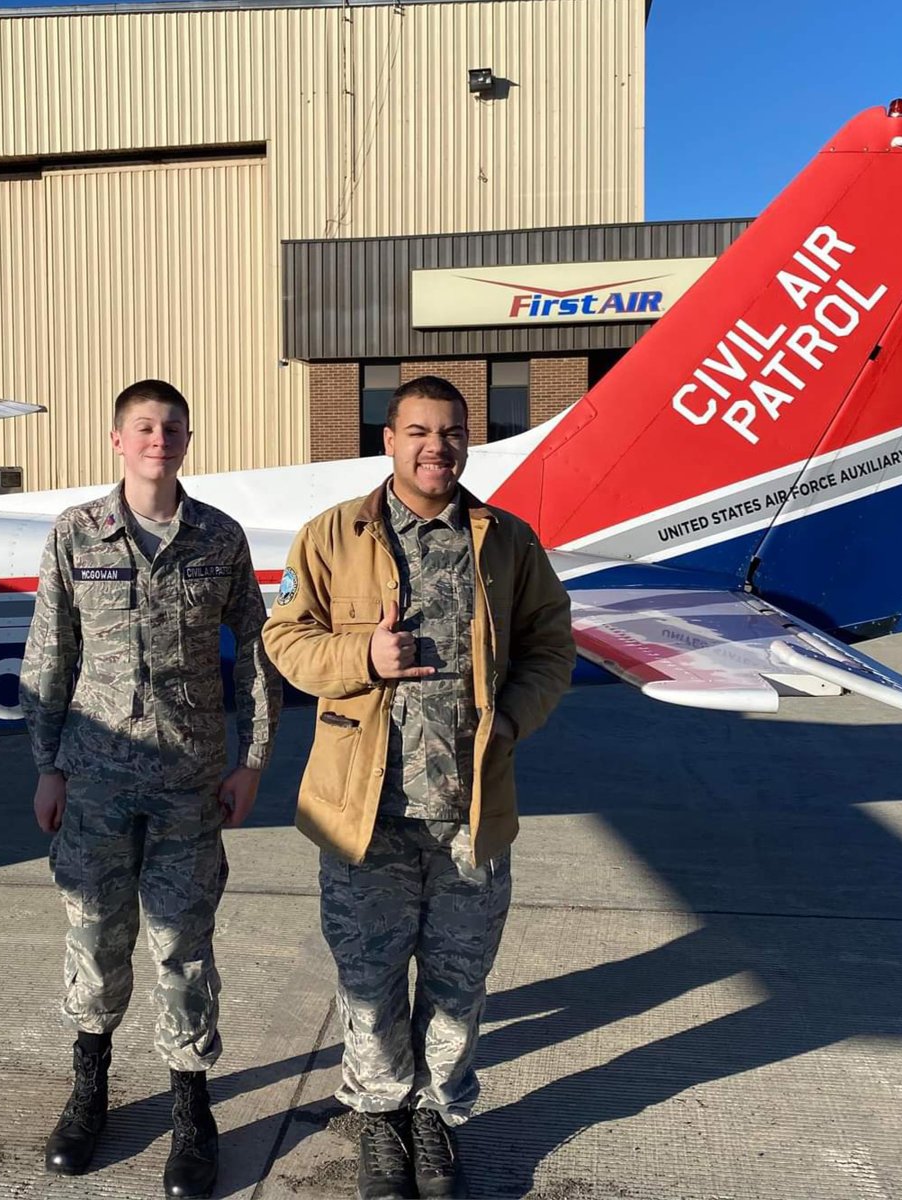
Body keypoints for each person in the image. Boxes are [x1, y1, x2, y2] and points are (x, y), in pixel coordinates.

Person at [262, 376, 574, 1200]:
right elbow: (287, 640)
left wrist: (510, 720)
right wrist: (362, 659)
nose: (437, 447)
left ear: (466, 442)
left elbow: (552, 643)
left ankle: (437, 1114)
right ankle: (379, 1119)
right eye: (419, 432)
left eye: (452, 433)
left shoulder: (506, 540)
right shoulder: (332, 536)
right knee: (367, 984)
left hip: (469, 812)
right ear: (390, 440)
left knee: (457, 985)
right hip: (364, 813)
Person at [20, 378, 281, 1198]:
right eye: (143, 427)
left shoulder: (219, 539)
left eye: (171, 427)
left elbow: (259, 655)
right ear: (116, 439)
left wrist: (254, 761)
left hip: (190, 785)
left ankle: (190, 1110)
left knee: (183, 946)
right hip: (95, 784)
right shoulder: (75, 534)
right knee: (95, 935)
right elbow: (48, 657)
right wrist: (47, 766)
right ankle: (89, 1088)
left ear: (187, 439)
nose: (157, 439)